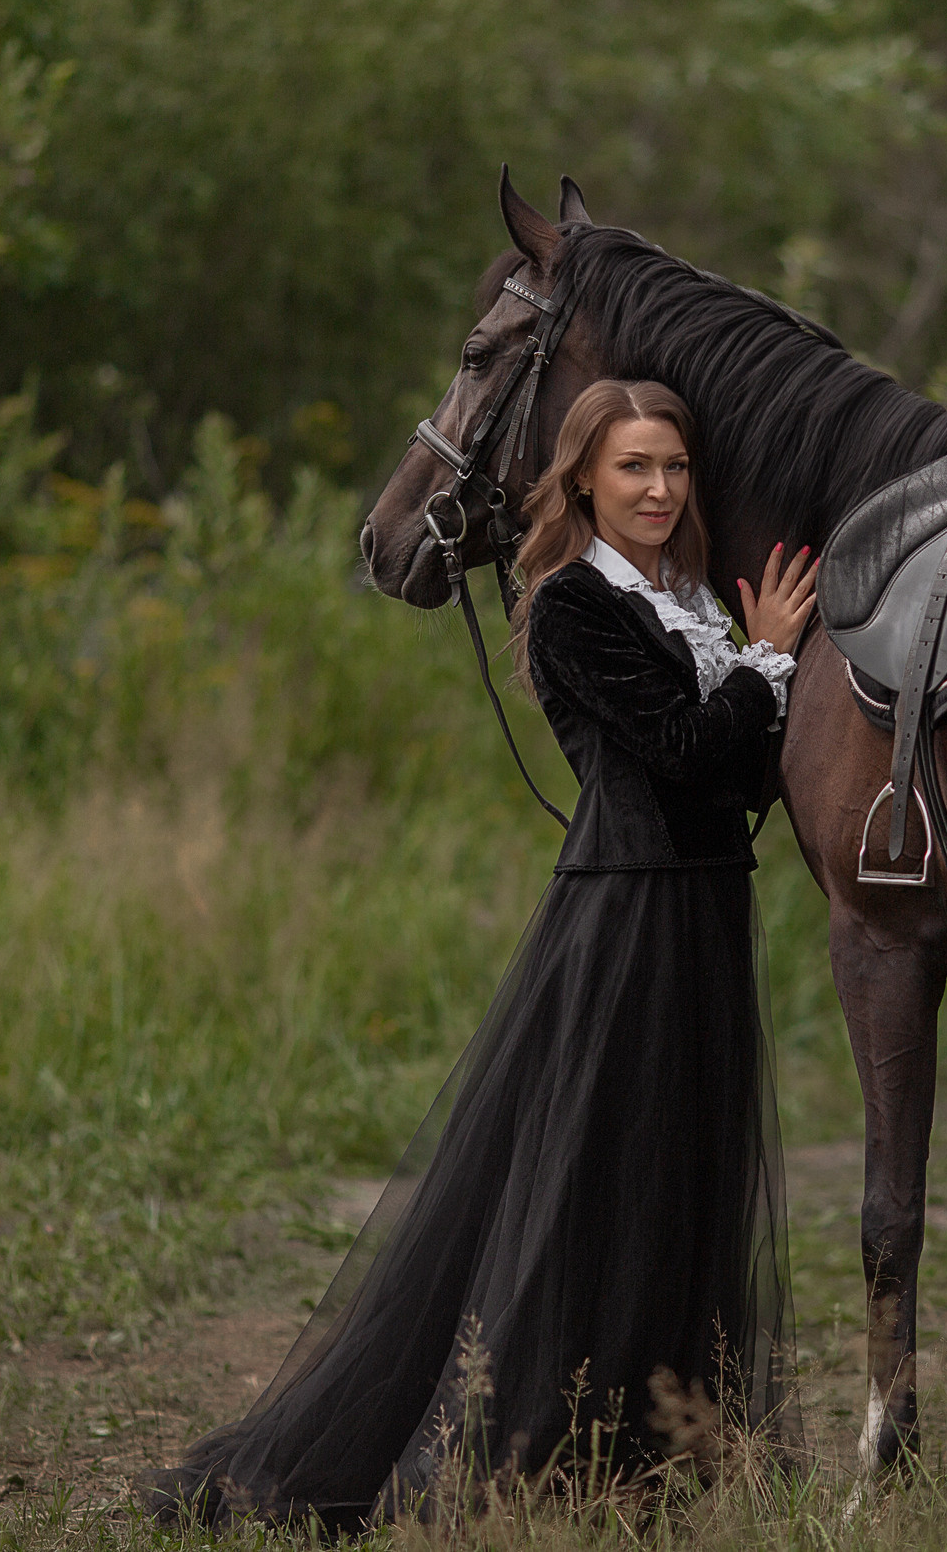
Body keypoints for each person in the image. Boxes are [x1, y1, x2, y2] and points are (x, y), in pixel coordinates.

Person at [136, 379, 820, 1532]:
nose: (658, 490)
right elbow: (678, 751)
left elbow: (742, 782)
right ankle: (514, 1459)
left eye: (674, 469)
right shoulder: (572, 605)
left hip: (703, 912)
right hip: (625, 924)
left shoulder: (688, 601)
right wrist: (768, 663)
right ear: (582, 482)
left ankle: (640, 1457)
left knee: (679, 1180)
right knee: (587, 1185)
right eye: (631, 469)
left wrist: (754, 665)